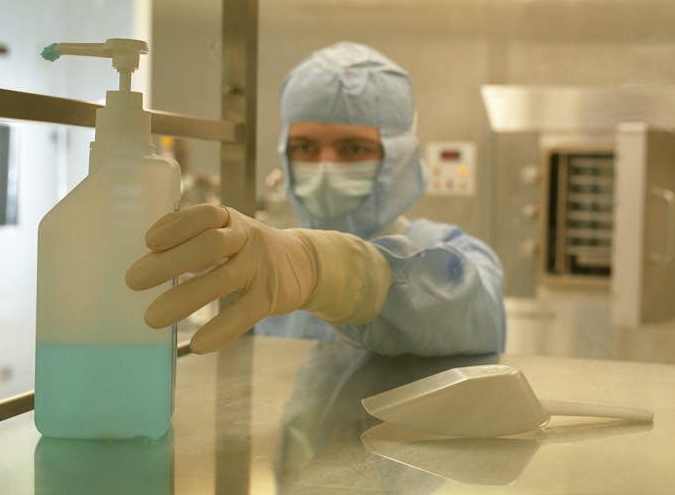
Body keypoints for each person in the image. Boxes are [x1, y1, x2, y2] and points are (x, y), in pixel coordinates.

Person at [126, 42, 506, 357]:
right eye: (305, 147)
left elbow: (478, 317)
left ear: (399, 155)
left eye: (353, 148)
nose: (325, 167)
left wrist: (329, 271)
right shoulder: (264, 262)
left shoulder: (453, 252)